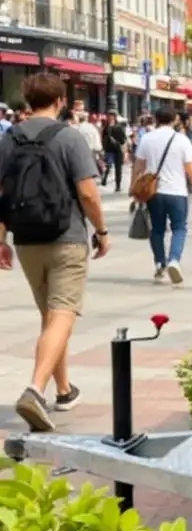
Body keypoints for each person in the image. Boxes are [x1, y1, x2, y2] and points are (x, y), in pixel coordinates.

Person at [0, 73, 110, 432]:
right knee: (63, 313)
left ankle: (64, 390)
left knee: (50, 317)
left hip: (27, 239)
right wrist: (102, 231)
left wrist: (1, 238)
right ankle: (36, 389)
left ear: (27, 102)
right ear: (61, 101)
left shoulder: (9, 139)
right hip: (67, 236)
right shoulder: (69, 137)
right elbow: (89, 193)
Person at [131, 107, 192, 285]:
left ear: (155, 119)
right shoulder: (181, 140)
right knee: (179, 228)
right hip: (177, 192)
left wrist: (134, 190)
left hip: (154, 192)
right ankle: (174, 260)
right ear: (175, 119)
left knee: (157, 229)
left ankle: (160, 263)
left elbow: (138, 166)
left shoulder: (147, 139)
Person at [100, 111, 128, 192]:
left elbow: (123, 140)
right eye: (109, 116)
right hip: (109, 150)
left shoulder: (119, 127)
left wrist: (120, 145)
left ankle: (118, 185)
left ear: (115, 117)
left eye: (112, 116)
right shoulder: (106, 127)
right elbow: (103, 138)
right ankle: (105, 178)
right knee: (108, 165)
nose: (110, 118)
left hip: (118, 149)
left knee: (118, 168)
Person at [75, 111, 103, 177]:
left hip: (79, 156)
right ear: (86, 119)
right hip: (91, 155)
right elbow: (98, 146)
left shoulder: (76, 128)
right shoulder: (92, 128)